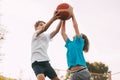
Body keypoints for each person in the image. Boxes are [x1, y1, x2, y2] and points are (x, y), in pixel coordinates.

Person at [31, 11, 62, 80]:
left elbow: (56, 31)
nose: (43, 25)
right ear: (36, 27)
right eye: (41, 24)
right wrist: (53, 18)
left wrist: (62, 20)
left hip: (46, 62)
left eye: (44, 24)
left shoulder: (47, 36)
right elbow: (44, 28)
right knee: (41, 78)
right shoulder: (35, 34)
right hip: (37, 62)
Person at [60, 11, 91, 80]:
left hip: (82, 72)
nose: (78, 34)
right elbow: (62, 33)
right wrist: (63, 20)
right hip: (72, 74)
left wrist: (72, 15)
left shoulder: (79, 42)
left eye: (80, 35)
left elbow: (75, 26)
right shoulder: (69, 43)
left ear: (82, 39)